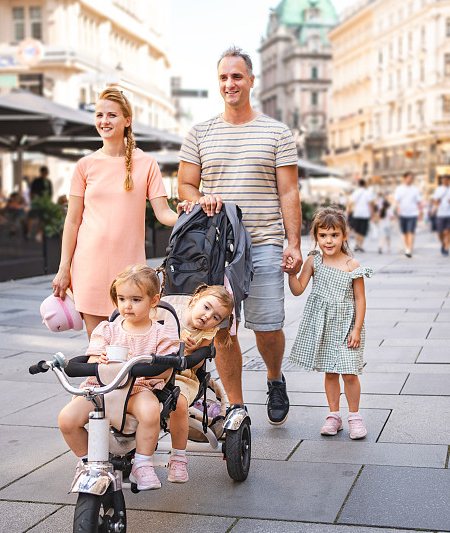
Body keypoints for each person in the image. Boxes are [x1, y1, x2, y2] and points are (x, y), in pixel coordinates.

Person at [177, 46, 302, 426]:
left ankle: (274, 377)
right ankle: (236, 406)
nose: (230, 83)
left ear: (251, 80)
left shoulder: (277, 132)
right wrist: (201, 197)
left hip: (264, 242)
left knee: (267, 326)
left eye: (237, 76)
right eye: (223, 77)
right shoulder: (199, 132)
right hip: (217, 248)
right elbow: (184, 185)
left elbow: (289, 192)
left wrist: (294, 243)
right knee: (222, 329)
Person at [52, 87, 184, 340]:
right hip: (88, 266)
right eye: (99, 115)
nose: (104, 121)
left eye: (111, 115)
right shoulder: (85, 166)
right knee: (98, 347)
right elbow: (73, 220)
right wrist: (63, 268)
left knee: (132, 344)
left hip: (131, 270)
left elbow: (163, 213)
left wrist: (189, 215)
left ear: (127, 120)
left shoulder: (146, 163)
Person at [57, 265, 180, 491]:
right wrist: (99, 359)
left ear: (154, 301)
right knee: (67, 419)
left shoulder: (163, 332)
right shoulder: (107, 329)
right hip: (103, 388)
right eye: (122, 299)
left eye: (135, 299)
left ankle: (142, 464)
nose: (127, 305)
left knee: (150, 412)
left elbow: (166, 369)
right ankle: (88, 460)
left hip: (139, 388)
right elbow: (92, 360)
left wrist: (148, 365)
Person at [287, 207, 372, 439]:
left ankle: (355, 417)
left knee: (350, 373)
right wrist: (291, 273)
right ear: (316, 236)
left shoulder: (351, 265)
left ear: (344, 236)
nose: (328, 240)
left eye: (334, 235)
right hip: (323, 326)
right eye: (323, 235)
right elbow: (298, 289)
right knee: (331, 372)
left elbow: (360, 299)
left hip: (347, 326)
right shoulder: (314, 261)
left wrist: (356, 329)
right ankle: (334, 416)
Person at [164, 284, 235, 484]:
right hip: (156, 372)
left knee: (177, 403)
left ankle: (178, 457)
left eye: (216, 317)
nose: (208, 317)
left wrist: (194, 352)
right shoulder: (169, 314)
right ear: (195, 300)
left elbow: (198, 365)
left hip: (183, 377)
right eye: (206, 307)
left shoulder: (206, 333)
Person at [394, 171, 422, 257]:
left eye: (413, 177)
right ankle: (407, 247)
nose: (412, 179)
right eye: (410, 177)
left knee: (411, 231)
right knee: (405, 232)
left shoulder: (415, 189)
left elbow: (419, 202)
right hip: (402, 213)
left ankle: (409, 249)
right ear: (405, 178)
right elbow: (396, 201)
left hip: (413, 213)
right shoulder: (399, 189)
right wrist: (398, 208)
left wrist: (421, 211)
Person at [431, 175, 450, 256]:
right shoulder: (438, 189)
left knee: (448, 231)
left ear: (449, 180)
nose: (444, 181)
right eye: (443, 180)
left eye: (446, 180)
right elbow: (435, 200)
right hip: (440, 213)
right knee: (440, 232)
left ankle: (447, 248)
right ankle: (443, 243)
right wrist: (433, 209)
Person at [348, 179, 376, 252]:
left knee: (357, 230)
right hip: (365, 214)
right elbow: (370, 204)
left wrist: (349, 210)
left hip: (357, 214)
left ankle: (357, 244)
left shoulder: (355, 192)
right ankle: (360, 245)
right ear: (365, 184)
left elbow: (350, 203)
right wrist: (372, 214)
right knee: (363, 231)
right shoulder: (367, 193)